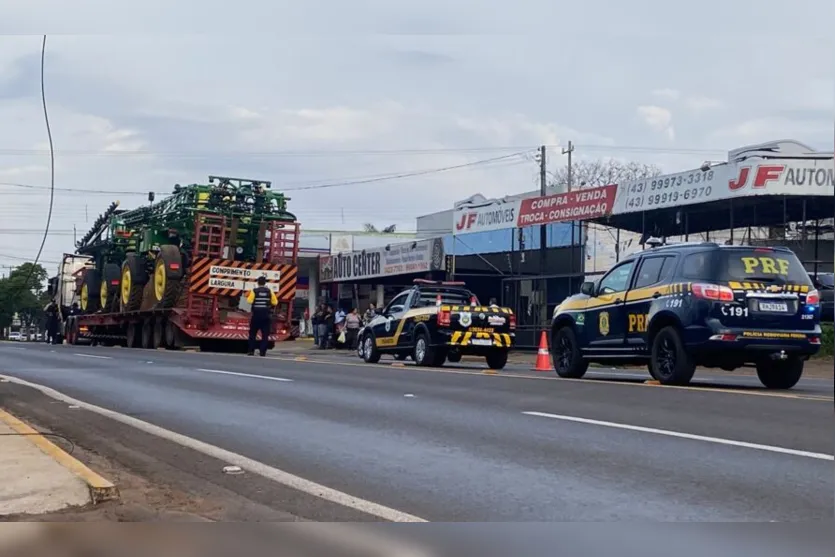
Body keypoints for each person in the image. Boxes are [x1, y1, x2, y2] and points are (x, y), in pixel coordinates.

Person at [245, 276, 277, 356]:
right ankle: (262, 352)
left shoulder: (254, 291)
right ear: (265, 283)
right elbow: (275, 302)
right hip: (266, 316)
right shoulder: (269, 291)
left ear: (257, 283)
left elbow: (249, 301)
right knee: (265, 335)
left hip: (256, 316)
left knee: (252, 334)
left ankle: (251, 351)